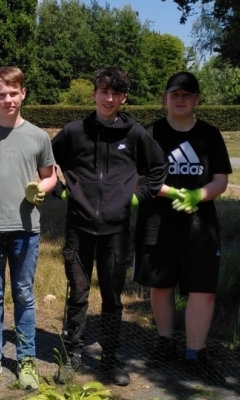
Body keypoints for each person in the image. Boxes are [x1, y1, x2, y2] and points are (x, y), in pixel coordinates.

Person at [51, 66, 168, 386]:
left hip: (116, 231)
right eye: (104, 91)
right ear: (94, 93)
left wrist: (136, 197)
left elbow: (159, 167)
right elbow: (44, 160)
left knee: (113, 297)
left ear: (123, 97)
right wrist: (62, 192)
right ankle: (72, 355)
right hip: (79, 228)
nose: (109, 98)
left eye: (116, 93)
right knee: (77, 293)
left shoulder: (135, 134)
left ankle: (111, 358)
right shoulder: (75, 131)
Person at [133, 72, 232, 384]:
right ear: (165, 98)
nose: (180, 99)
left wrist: (197, 195)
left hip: (200, 228)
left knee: (202, 291)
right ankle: (165, 343)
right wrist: (170, 192)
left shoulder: (210, 135)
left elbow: (221, 180)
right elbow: (138, 177)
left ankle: (195, 354)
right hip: (156, 224)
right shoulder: (149, 134)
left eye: (187, 95)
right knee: (161, 286)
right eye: (175, 94)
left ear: (197, 99)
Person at [0, 66, 57, 390]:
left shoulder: (38, 136)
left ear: (23, 93)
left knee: (25, 295)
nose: (8, 99)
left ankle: (27, 360)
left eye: (13, 93)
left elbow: (50, 174)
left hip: (26, 230)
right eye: (1, 94)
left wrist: (43, 187)